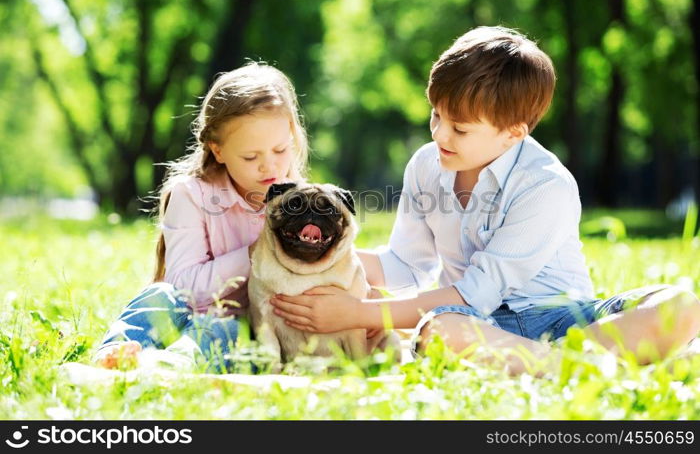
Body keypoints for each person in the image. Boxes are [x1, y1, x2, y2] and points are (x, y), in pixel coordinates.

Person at [270, 26, 700, 376]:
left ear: (514, 131)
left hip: (565, 320)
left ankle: (568, 364)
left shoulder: (546, 184)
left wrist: (359, 313)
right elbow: (405, 263)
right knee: (439, 331)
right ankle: (591, 369)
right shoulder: (426, 165)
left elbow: (478, 291)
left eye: (460, 128)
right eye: (436, 115)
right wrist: (319, 251)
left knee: (682, 306)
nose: (439, 134)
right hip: (479, 326)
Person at [93, 62, 309, 372]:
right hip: (185, 310)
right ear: (217, 151)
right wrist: (257, 251)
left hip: (246, 326)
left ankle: (169, 365)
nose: (269, 166)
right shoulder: (191, 195)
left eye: (280, 150)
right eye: (251, 157)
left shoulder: (303, 204)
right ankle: (114, 355)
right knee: (160, 295)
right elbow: (183, 289)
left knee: (227, 329)